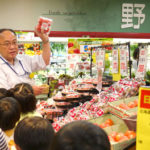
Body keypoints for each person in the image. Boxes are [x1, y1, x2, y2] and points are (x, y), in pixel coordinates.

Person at [0, 27, 51, 95]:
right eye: (7, 44)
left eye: (14, 42)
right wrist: (28, 91)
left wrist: (45, 41)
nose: (12, 47)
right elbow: (3, 95)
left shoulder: (23, 59)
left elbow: (44, 62)